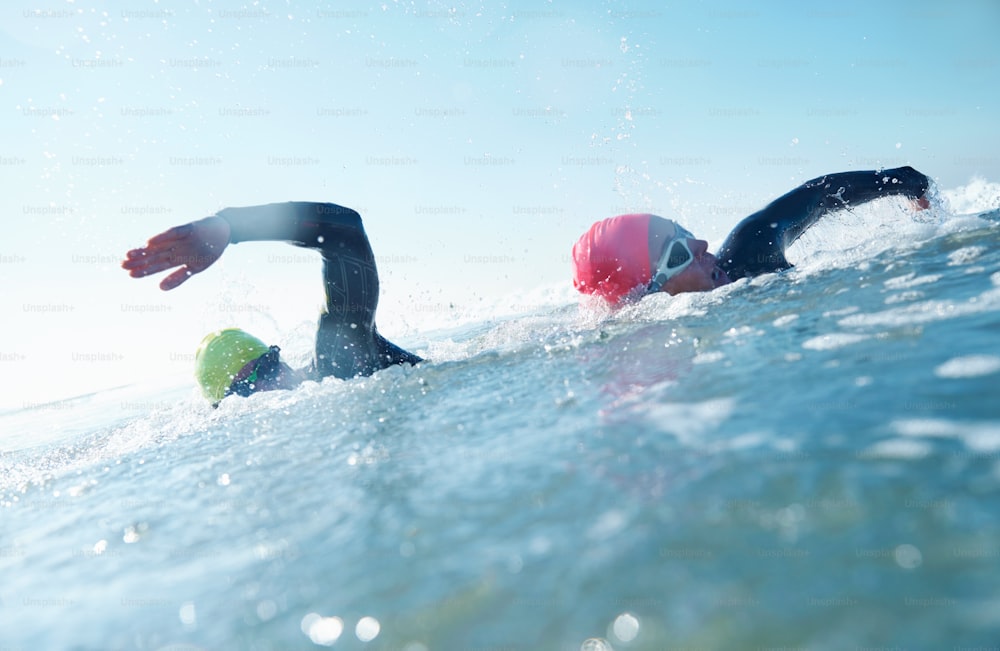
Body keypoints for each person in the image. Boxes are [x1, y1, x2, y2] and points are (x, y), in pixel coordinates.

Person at [122, 202, 422, 406]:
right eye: (244, 390)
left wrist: (233, 226)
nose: (268, 386)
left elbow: (347, 233)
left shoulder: (339, 361)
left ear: (278, 356)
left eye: (266, 367)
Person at [572, 166, 932, 304]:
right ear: (648, 293)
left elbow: (819, 195)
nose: (702, 245)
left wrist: (905, 182)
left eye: (686, 233)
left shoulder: (753, 251)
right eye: (678, 252)